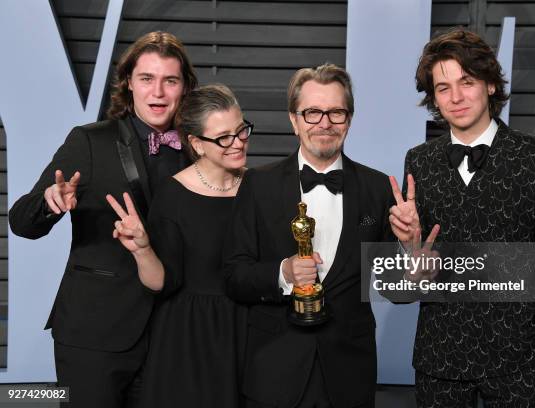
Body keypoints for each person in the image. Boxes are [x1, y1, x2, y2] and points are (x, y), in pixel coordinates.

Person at [8, 31, 197, 408]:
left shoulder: (201, 147)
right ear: (129, 83)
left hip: (172, 338)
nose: (157, 92)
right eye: (147, 79)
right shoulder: (90, 140)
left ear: (184, 87)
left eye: (170, 80)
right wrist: (48, 204)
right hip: (94, 333)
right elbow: (21, 222)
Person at [389, 28, 535, 407]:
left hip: (519, 364)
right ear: (433, 99)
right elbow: (407, 284)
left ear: (490, 85)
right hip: (439, 360)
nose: (455, 97)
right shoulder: (418, 161)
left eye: (466, 82)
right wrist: (408, 256)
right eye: (443, 88)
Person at [224, 63, 400, 408]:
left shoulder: (378, 187)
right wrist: (282, 273)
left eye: (335, 112)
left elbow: (393, 287)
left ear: (349, 119)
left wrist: (410, 246)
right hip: (274, 369)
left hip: (349, 373)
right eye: (312, 112)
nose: (324, 123)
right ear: (294, 119)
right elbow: (234, 275)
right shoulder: (258, 184)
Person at [106, 83, 250, 407]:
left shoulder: (259, 187)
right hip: (189, 339)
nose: (238, 143)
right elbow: (162, 282)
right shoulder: (174, 194)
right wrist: (143, 249)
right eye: (224, 137)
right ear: (197, 143)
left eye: (241, 131)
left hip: (249, 334)